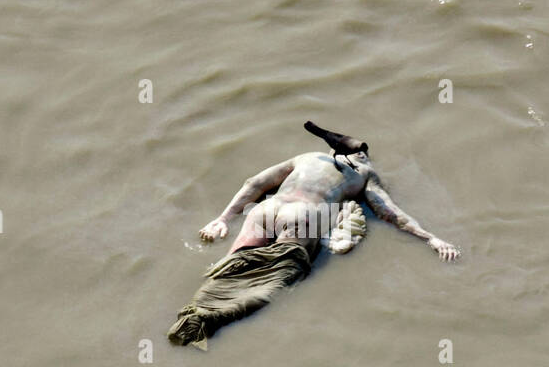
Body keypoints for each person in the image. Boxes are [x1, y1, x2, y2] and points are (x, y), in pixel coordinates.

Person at [167, 141, 459, 348]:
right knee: (276, 278)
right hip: (305, 216)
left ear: (332, 150)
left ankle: (193, 312)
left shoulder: (307, 157)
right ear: (363, 157)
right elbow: (389, 213)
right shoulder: (364, 173)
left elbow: (254, 183)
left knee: (229, 268)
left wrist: (222, 219)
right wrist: (430, 238)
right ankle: (206, 324)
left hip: (265, 211)